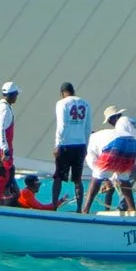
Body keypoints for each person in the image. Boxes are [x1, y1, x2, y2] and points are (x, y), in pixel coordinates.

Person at [85, 110, 136, 211]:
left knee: (95, 179)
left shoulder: (89, 141)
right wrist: (109, 180)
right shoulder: (101, 135)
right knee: (124, 180)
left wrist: (106, 180)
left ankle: (85, 210)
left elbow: (95, 168)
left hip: (117, 143)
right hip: (133, 142)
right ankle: (132, 209)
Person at [49, 82, 92, 211]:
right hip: (80, 144)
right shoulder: (85, 103)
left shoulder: (61, 103)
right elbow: (88, 127)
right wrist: (86, 146)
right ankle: (79, 209)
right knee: (78, 179)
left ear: (62, 93)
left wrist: (57, 144)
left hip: (66, 144)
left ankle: (54, 206)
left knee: (58, 177)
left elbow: (61, 125)